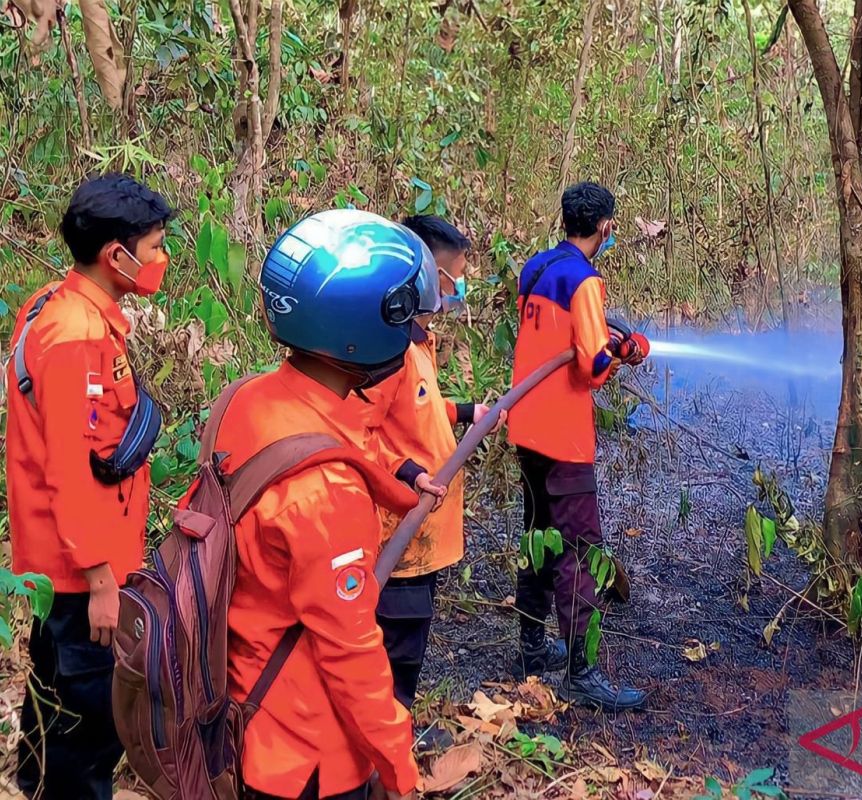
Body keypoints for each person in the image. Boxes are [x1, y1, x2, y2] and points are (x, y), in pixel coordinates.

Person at [219, 210, 423, 800]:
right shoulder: (326, 492)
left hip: (241, 704)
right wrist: (398, 769)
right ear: (364, 329)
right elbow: (350, 653)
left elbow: (344, 430)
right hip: (307, 755)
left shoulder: (245, 400)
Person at [6, 174, 172, 800]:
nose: (162, 260)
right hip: (80, 567)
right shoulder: (75, 335)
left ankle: (34, 778)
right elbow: (72, 472)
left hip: (61, 555)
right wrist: (102, 580)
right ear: (116, 255)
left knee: (52, 677)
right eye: (155, 247)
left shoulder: (54, 303)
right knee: (90, 712)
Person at [354, 214, 504, 749]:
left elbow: (413, 412)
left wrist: (467, 410)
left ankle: (396, 733)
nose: (457, 289)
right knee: (394, 644)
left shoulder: (417, 342)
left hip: (422, 529)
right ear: (421, 274)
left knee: (410, 641)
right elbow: (359, 432)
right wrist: (412, 473)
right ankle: (385, 748)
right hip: (398, 532)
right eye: (451, 279)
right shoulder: (385, 350)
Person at [506, 182, 648, 711]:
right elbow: (591, 368)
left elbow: (553, 341)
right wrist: (623, 351)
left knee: (537, 537)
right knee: (580, 551)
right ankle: (580, 671)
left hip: (527, 430)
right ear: (604, 226)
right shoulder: (585, 281)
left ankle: (530, 649)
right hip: (564, 437)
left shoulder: (536, 269)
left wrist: (602, 341)